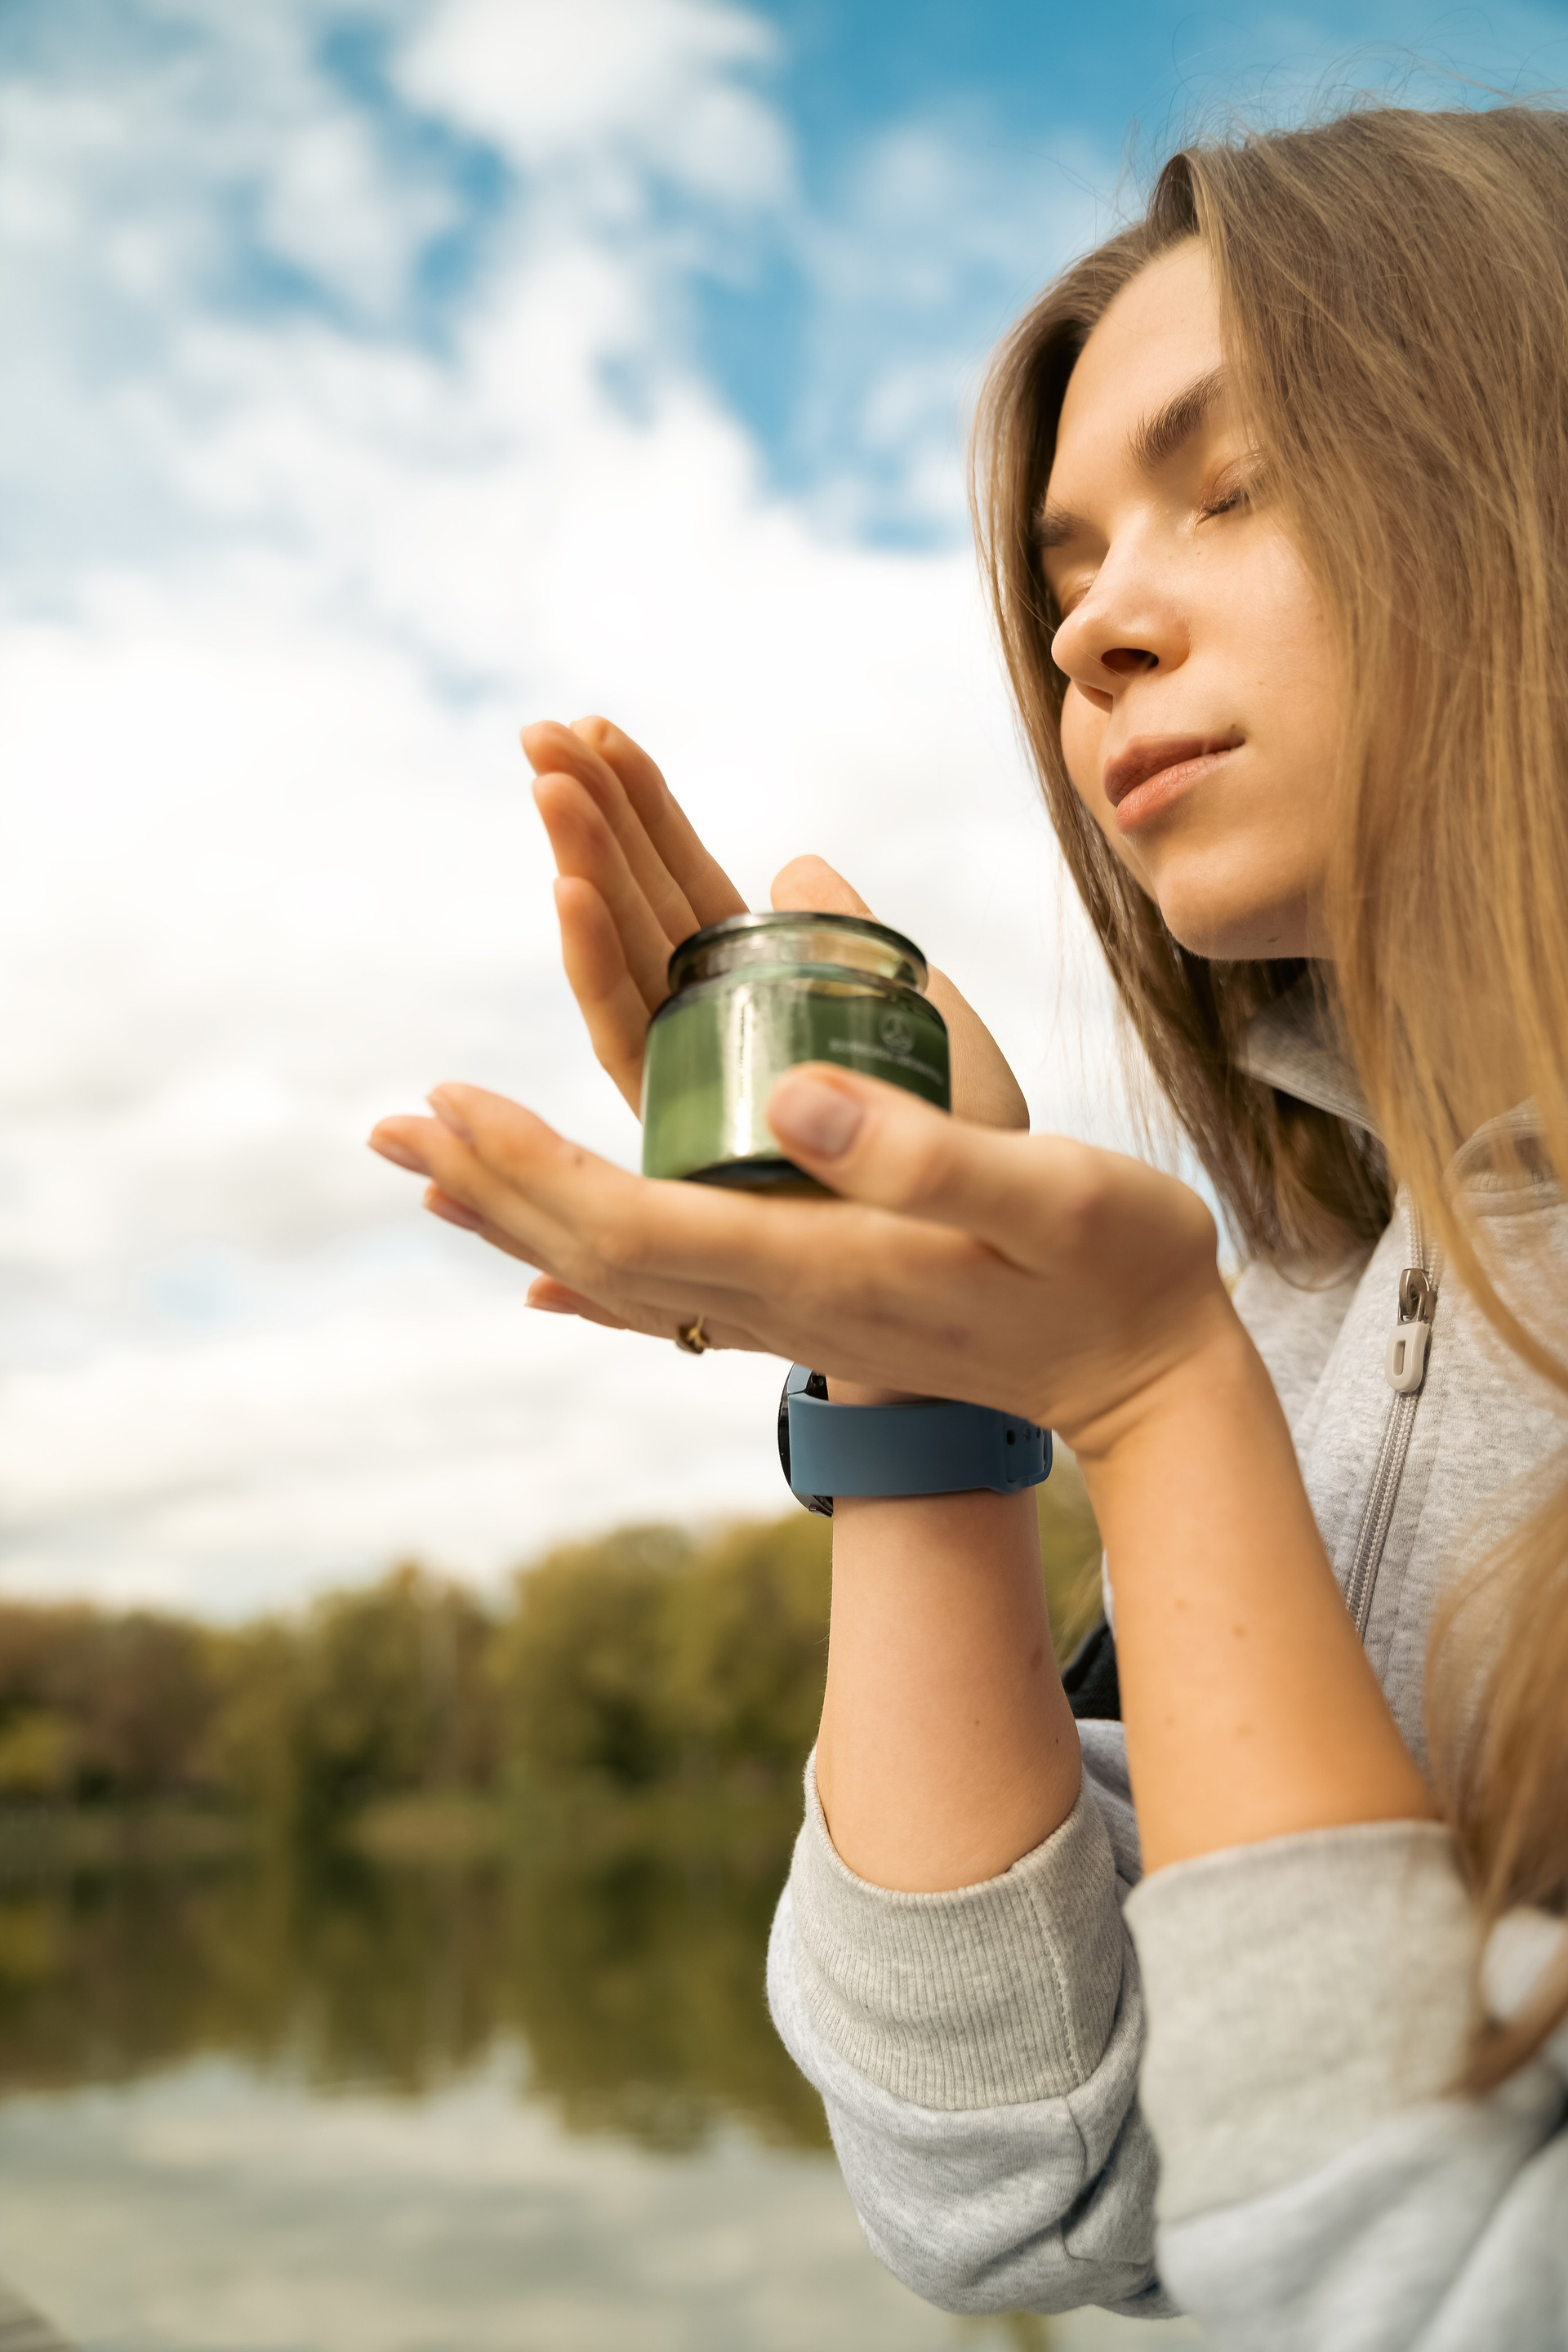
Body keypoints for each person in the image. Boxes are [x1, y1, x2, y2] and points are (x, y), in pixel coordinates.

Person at [370, 103, 1568, 2346]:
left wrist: (1152, 1395)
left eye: (1235, 484)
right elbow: (1028, 2188)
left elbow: (1425, 2287)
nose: (1094, 627)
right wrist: (919, 1357)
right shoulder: (1324, 1301)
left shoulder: (1219, 1345)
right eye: (1065, 570)